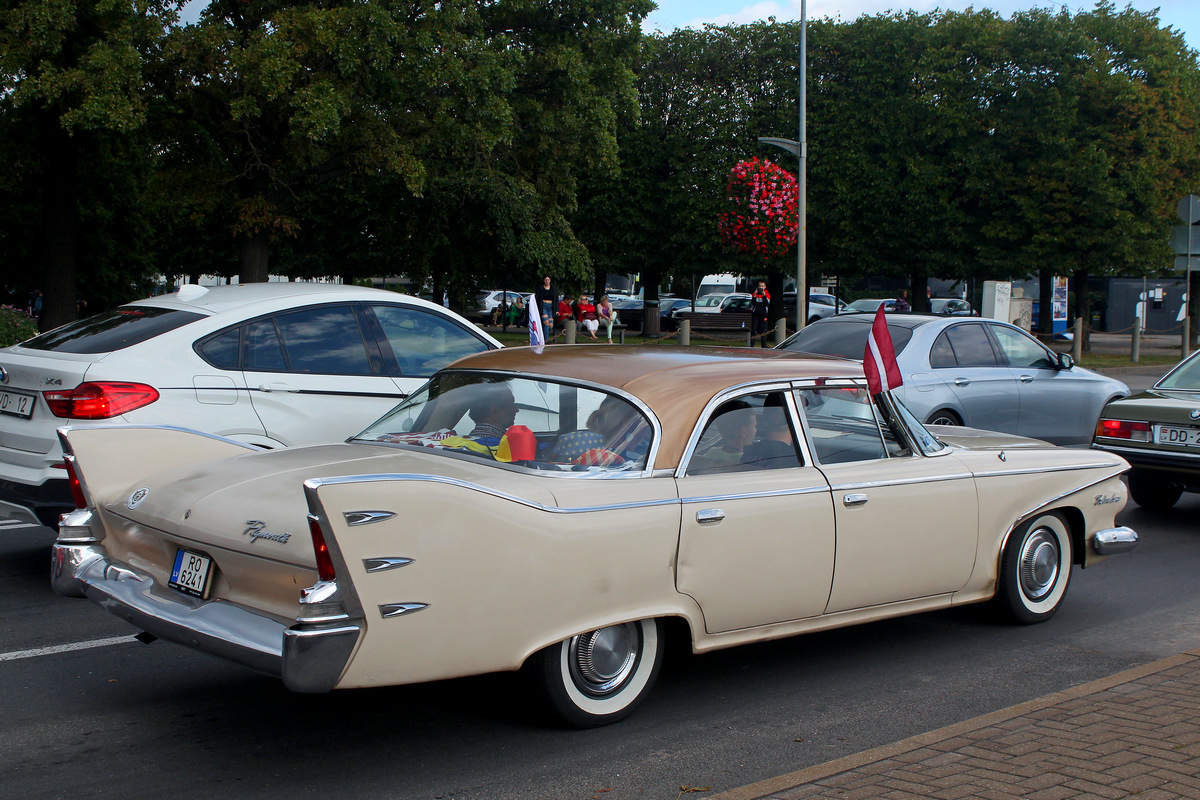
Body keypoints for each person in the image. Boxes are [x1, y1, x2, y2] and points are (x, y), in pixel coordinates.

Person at [534, 276, 556, 342]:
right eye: (545, 280)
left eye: (548, 279)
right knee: (546, 322)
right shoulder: (540, 288)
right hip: (543, 305)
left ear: (550, 280)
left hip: (550, 306)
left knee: (550, 325)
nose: (547, 281)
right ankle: (546, 340)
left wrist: (556, 309)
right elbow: (537, 298)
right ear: (543, 280)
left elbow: (556, 299)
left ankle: (543, 335)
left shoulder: (553, 288)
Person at [750, 281, 771, 347]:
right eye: (760, 286)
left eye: (762, 286)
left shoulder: (767, 294)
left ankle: (763, 344)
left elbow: (766, 303)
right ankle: (752, 343)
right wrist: (755, 295)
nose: (761, 288)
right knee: (753, 329)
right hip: (755, 314)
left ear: (765, 287)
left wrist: (764, 296)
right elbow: (753, 303)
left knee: (763, 329)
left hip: (763, 314)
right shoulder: (754, 294)